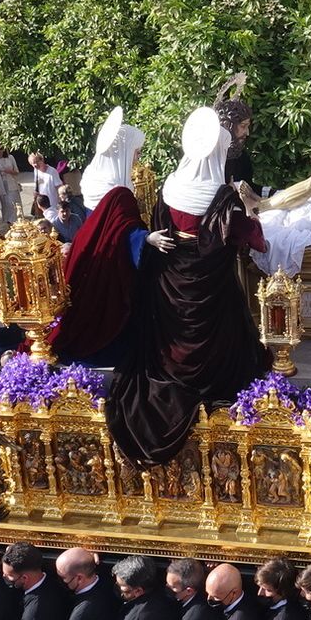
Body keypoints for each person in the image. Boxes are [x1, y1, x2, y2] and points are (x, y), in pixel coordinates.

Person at [107, 106, 271, 465]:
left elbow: (159, 224)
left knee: (173, 333)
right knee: (218, 332)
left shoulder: (171, 184)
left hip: (171, 277)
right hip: (208, 284)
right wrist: (251, 211)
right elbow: (250, 237)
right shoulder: (221, 195)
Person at [49, 107, 149, 367]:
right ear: (124, 151)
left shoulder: (94, 175)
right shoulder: (119, 192)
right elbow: (122, 229)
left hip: (90, 251)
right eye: (136, 152)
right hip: (112, 262)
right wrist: (147, 240)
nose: (137, 159)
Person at [0, 144, 22, 229]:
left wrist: (10, 171)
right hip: (0, 186)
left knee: (14, 204)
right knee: (6, 206)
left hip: (11, 184)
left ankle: (17, 223)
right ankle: (10, 225)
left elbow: (17, 172)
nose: (0, 150)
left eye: (1, 148)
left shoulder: (10, 158)